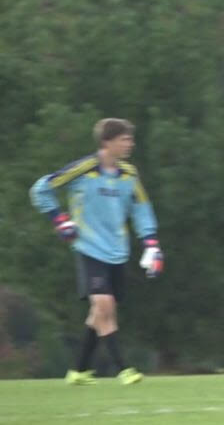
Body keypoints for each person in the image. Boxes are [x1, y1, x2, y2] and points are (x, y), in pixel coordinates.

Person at [29, 118, 164, 385]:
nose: (130, 144)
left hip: (117, 250)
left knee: (98, 313)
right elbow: (41, 189)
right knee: (104, 305)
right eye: (125, 139)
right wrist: (59, 219)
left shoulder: (129, 174)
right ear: (107, 142)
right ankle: (123, 369)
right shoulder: (83, 169)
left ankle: (78, 371)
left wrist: (151, 243)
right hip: (88, 248)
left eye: (130, 139)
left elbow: (141, 208)